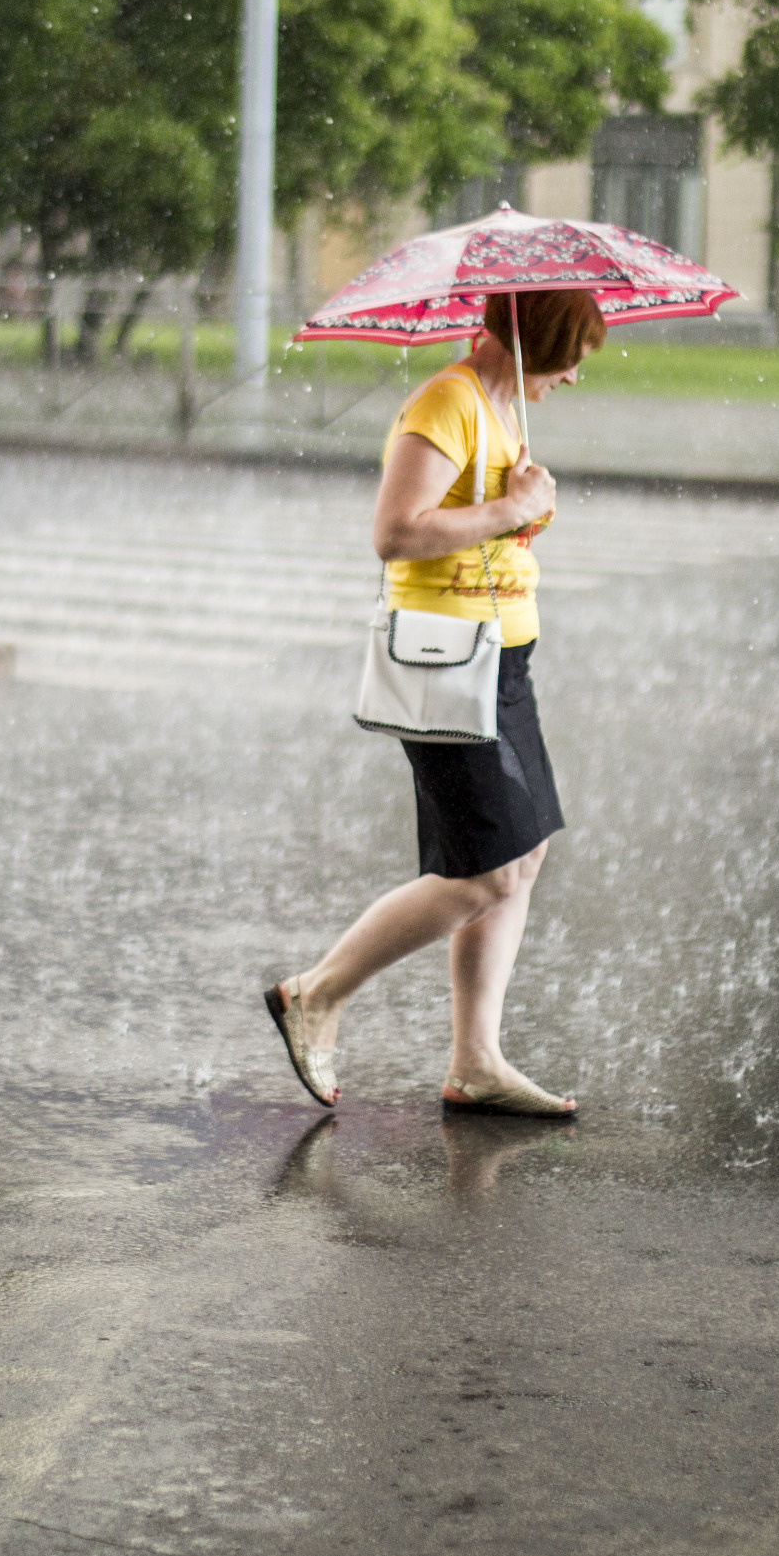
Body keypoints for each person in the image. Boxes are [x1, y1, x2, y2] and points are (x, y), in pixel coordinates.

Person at [263, 289, 605, 1116]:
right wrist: (506, 510)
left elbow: (485, 525)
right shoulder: (446, 404)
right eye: (571, 358)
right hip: (447, 664)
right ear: (535, 338)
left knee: (522, 858)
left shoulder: (501, 406)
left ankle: (475, 1059)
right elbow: (397, 532)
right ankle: (317, 993)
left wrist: (527, 508)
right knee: (483, 869)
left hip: (502, 658)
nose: (571, 378)